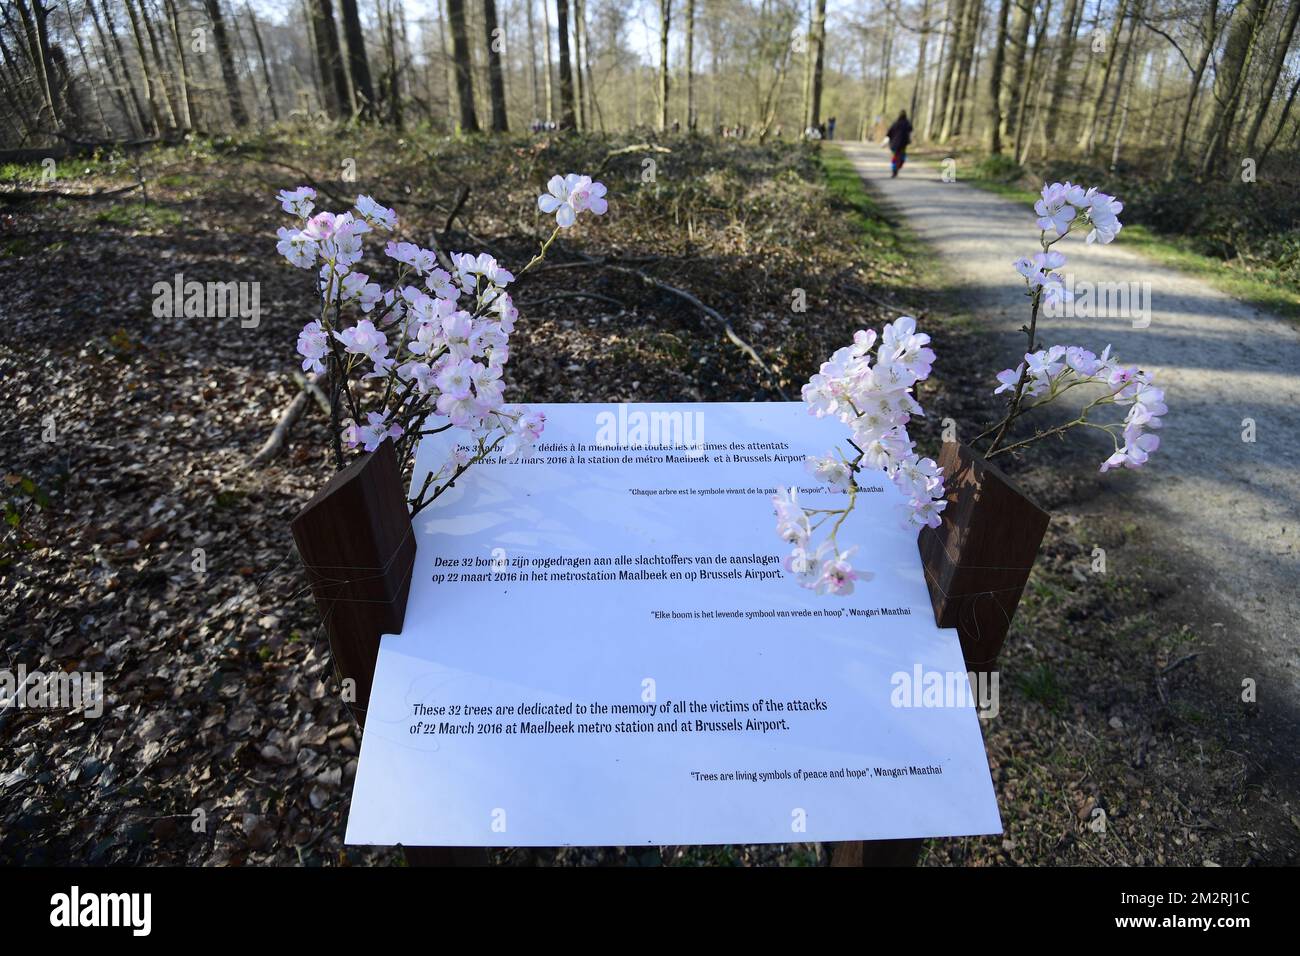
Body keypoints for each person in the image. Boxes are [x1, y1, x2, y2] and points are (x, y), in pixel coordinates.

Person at [886, 110, 912, 178]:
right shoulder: (907, 123)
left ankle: (894, 170)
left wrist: (891, 138)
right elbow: (911, 129)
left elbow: (888, 133)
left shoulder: (895, 123)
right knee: (902, 158)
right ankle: (897, 168)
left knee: (895, 158)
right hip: (902, 145)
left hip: (894, 144)